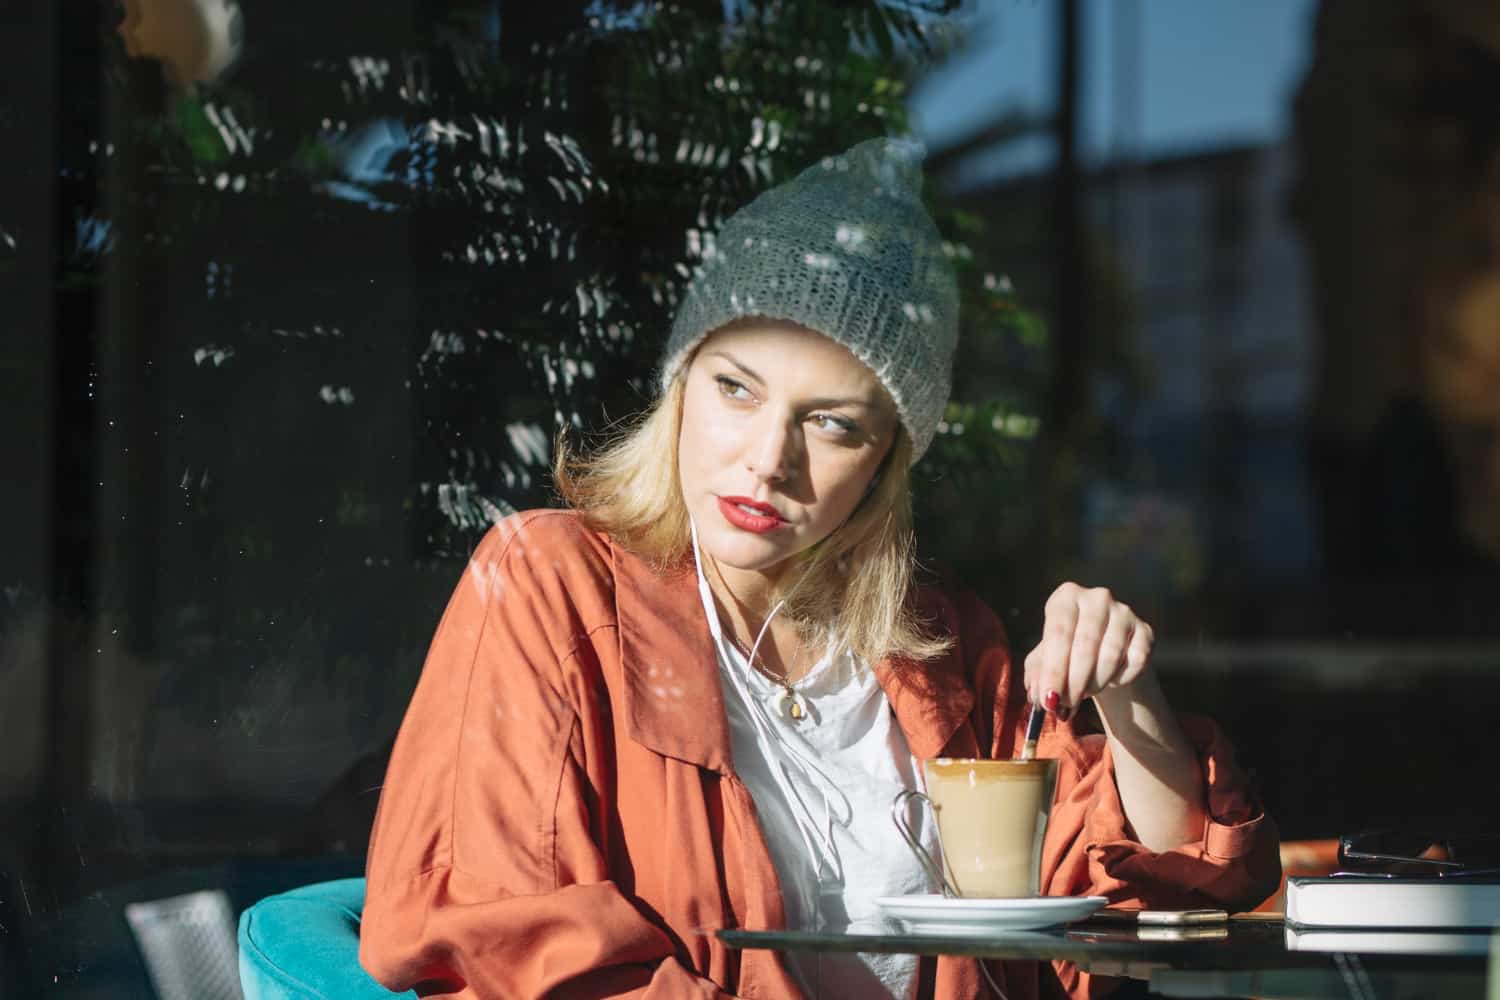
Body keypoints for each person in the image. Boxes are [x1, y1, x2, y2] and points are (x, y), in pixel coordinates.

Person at [359, 137, 1280, 999]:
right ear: (682, 386)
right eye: (736, 389)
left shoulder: (945, 652)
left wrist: (1127, 696)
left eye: (832, 423)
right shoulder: (552, 584)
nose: (768, 459)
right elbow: (507, 940)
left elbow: (1168, 907)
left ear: (886, 460)